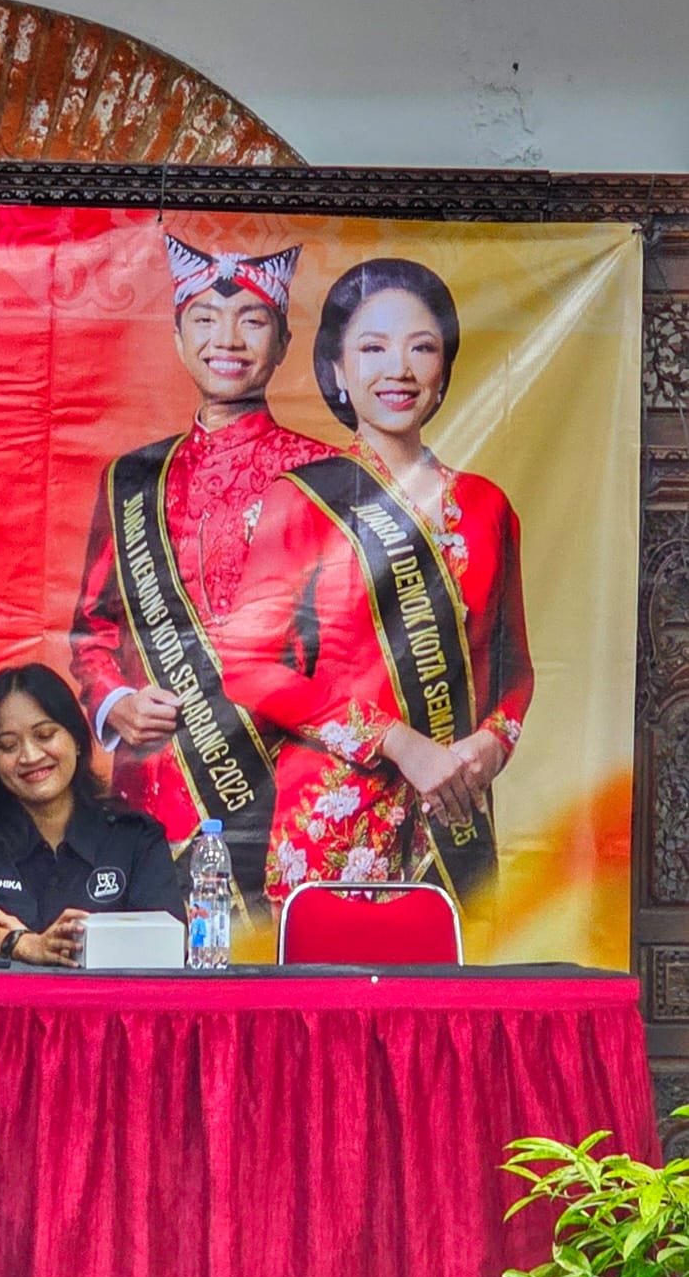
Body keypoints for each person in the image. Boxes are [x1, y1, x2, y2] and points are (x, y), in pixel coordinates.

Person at [220, 257, 533, 907]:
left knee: (453, 977)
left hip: (451, 821)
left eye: (422, 347)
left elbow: (515, 672)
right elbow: (247, 667)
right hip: (334, 827)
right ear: (337, 369)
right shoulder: (303, 498)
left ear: (443, 369)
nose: (400, 369)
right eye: (373, 348)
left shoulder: (486, 507)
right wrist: (398, 743)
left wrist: (490, 746)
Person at [70, 232, 332, 918]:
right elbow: (92, 631)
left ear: (283, 341)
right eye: (207, 319)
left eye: (252, 320)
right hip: (153, 783)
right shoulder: (132, 478)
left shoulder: (330, 475)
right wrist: (116, 705)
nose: (229, 339)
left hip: (283, 782)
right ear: (179, 338)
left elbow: (357, 640)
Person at [0, 664, 182, 965]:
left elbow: (167, 945)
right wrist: (25, 945)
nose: (30, 756)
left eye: (45, 735)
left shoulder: (136, 837)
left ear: (76, 739)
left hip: (109, 998)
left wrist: (83, 943)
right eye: (8, 746)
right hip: (4, 997)